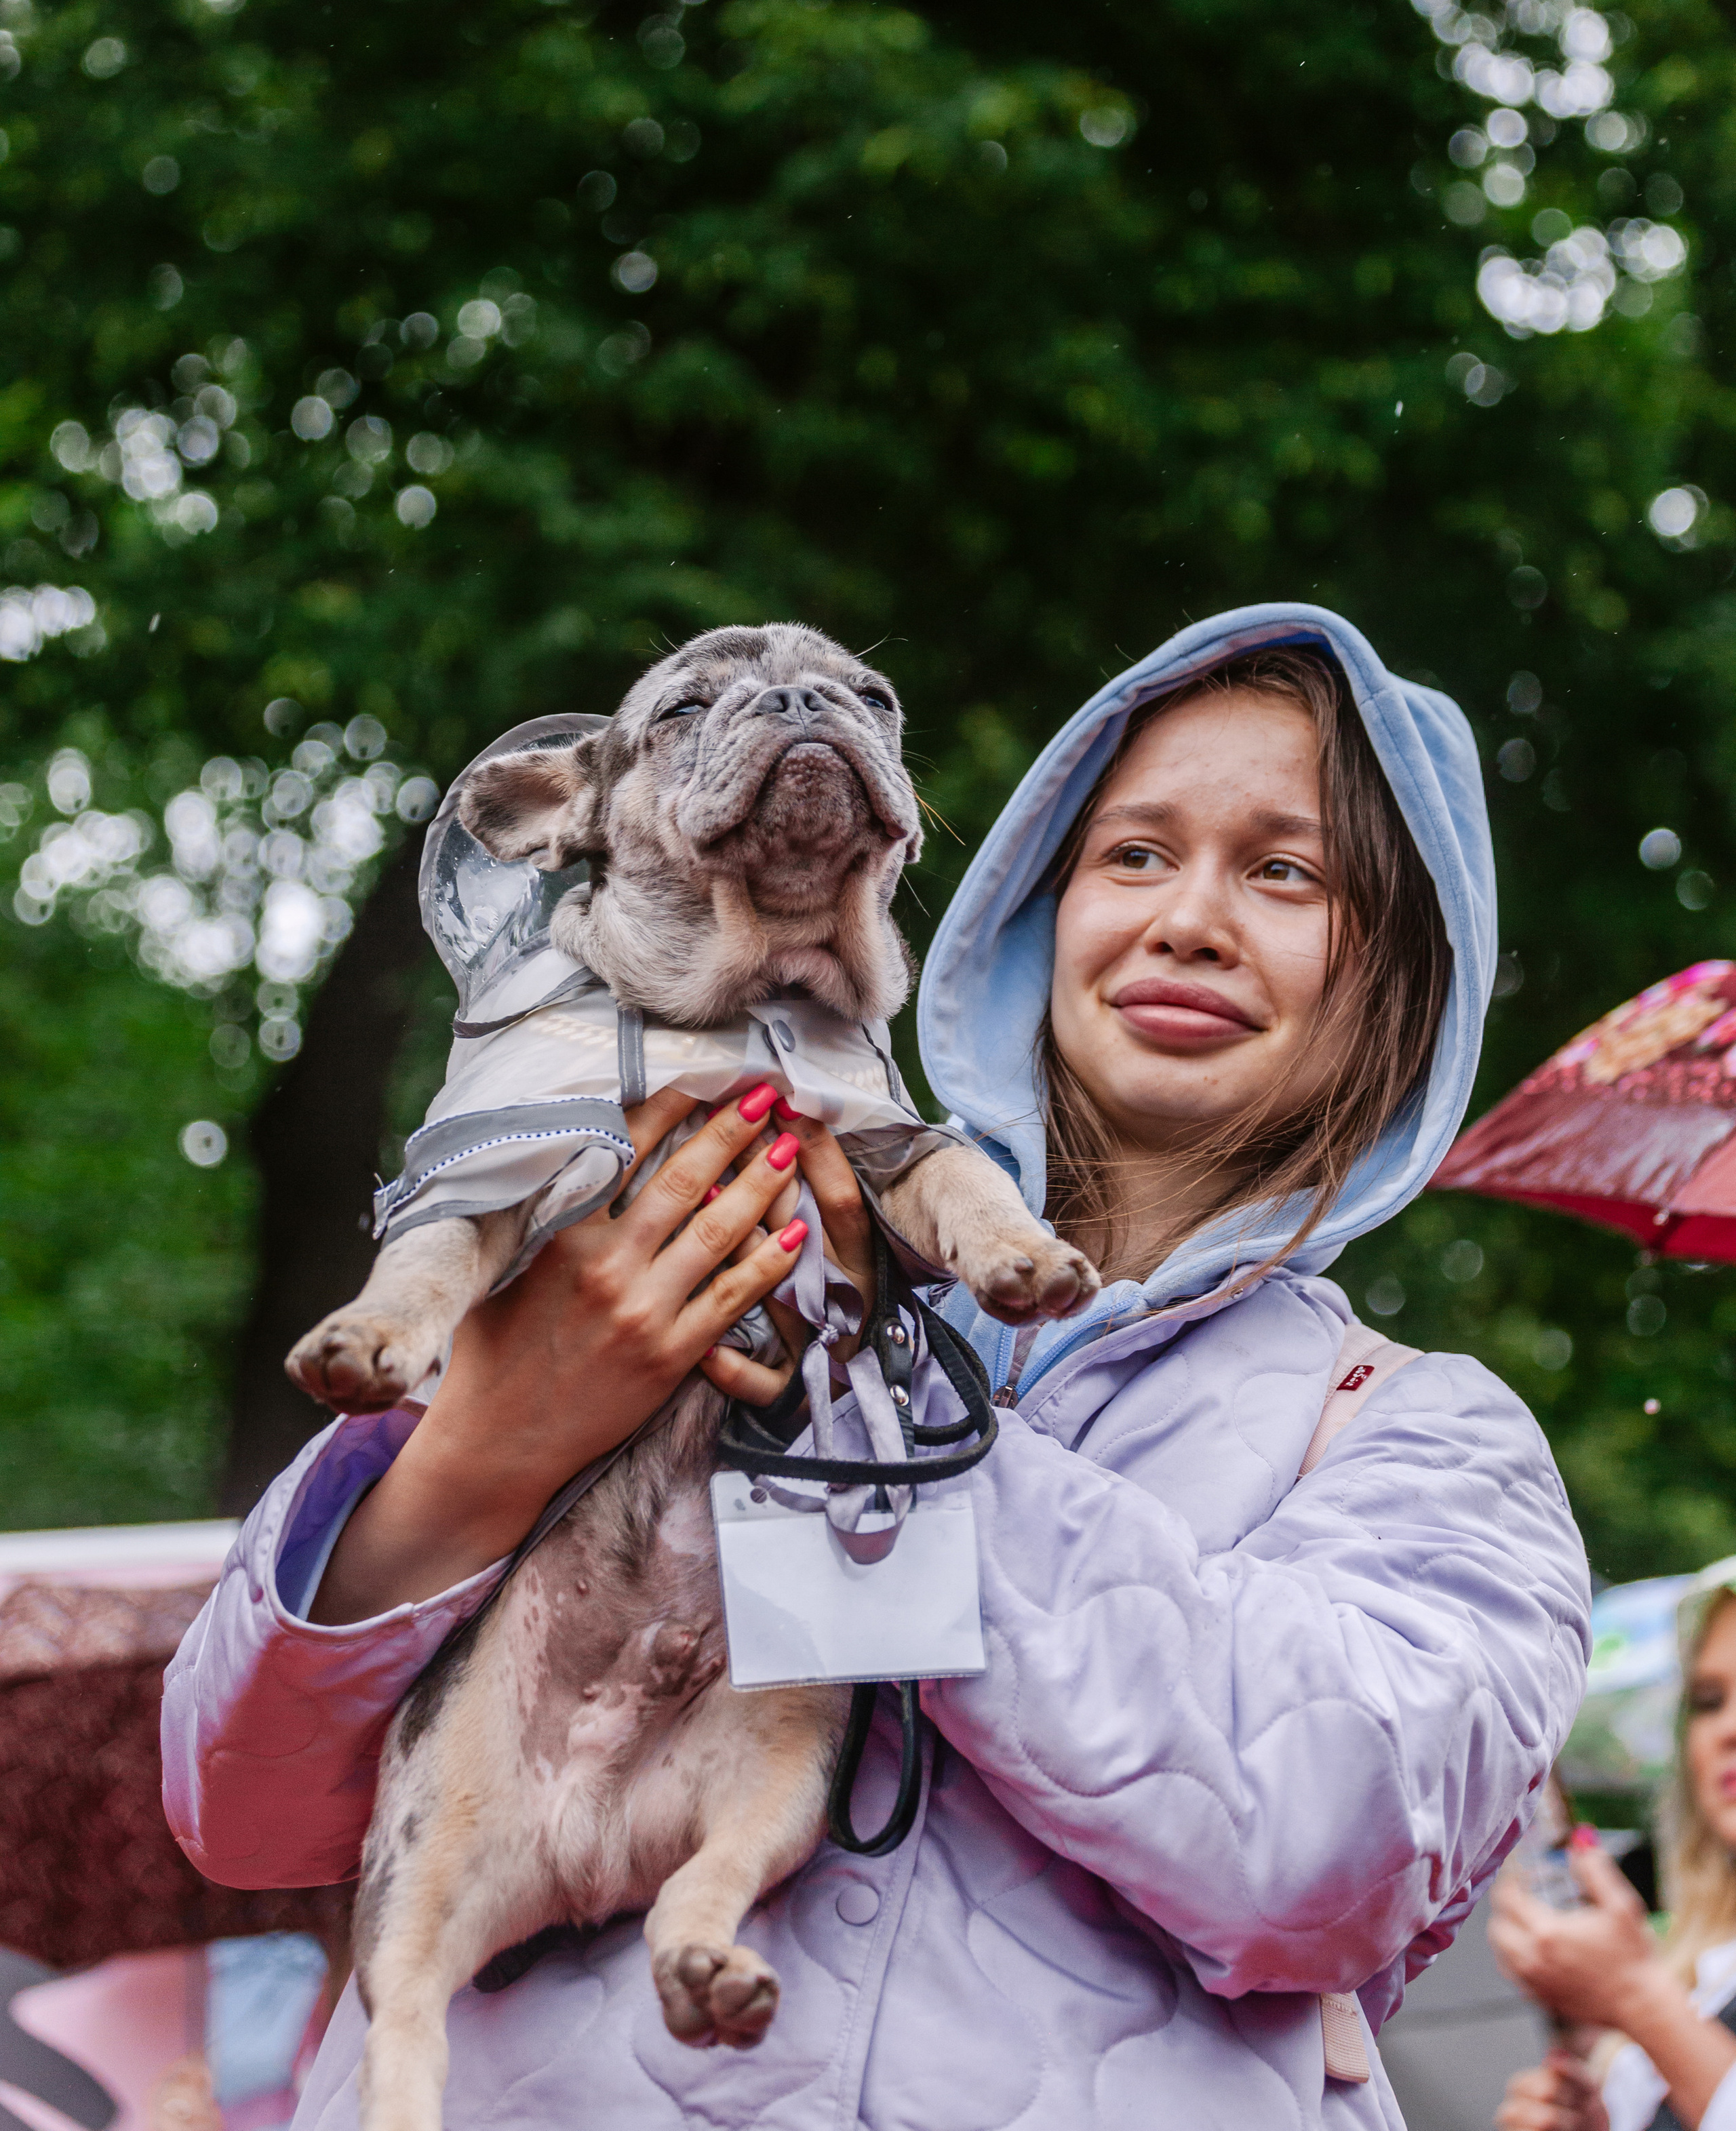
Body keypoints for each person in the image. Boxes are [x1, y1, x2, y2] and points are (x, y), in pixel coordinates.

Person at [163, 603, 1591, 2130]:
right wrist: (492, 1441)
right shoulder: (634, 1227)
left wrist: (869, 1370)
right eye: (1132, 854)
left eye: (1284, 872)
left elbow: (1318, 1853)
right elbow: (240, 1806)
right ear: (1031, 915)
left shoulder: (1422, 1439)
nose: (1187, 917)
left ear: (1395, 978)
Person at [1493, 1569, 1736, 2131]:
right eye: (1707, 1701)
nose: (1727, 1729)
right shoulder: (1702, 1977)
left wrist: (1637, 1997)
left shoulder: (1662, 1992)